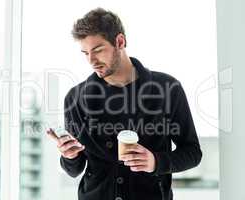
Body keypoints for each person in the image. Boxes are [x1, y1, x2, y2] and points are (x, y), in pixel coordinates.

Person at [47, 7, 202, 200]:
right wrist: (69, 156)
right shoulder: (75, 98)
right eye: (85, 53)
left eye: (98, 50)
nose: (91, 60)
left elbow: (193, 153)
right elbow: (74, 170)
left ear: (120, 41)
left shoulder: (168, 88)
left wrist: (156, 162)